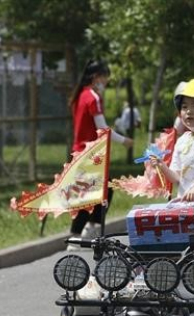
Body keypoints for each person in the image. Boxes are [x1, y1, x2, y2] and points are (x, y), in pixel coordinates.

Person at [68, 59, 134, 245]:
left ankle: (87, 230)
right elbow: (103, 128)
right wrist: (124, 140)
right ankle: (78, 235)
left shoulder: (80, 95)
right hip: (90, 154)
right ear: (96, 77)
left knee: (101, 192)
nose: (106, 82)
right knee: (94, 194)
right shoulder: (93, 97)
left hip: (80, 152)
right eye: (105, 78)